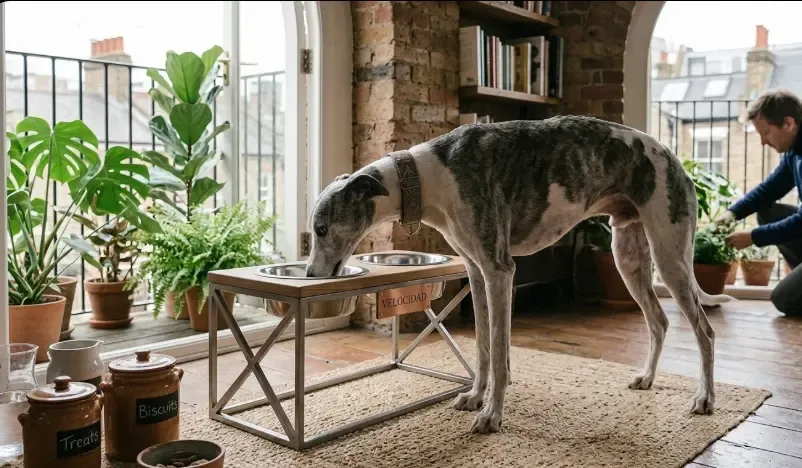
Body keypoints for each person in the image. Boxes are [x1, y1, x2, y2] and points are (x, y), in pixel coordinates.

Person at [716, 88, 802, 317]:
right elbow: (769, 190)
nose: (763, 142)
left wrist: (754, 237)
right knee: (768, 211)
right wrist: (732, 213)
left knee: (782, 300)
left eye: (766, 133)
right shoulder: (794, 151)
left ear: (788, 124)